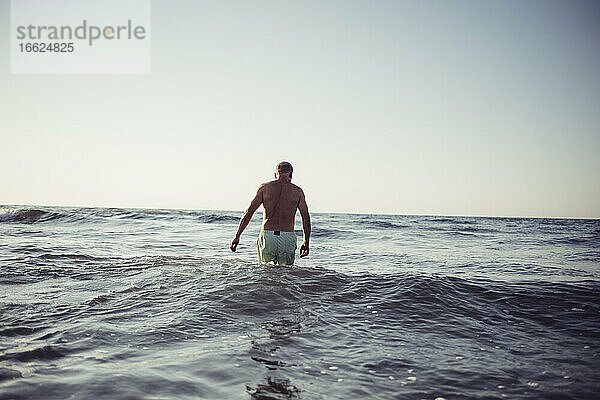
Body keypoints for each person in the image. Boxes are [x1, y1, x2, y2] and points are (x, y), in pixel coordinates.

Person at [229, 161, 311, 265]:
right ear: (291, 174)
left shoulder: (265, 188)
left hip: (268, 236)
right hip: (287, 236)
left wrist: (237, 236)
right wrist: (306, 242)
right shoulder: (298, 192)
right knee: (286, 275)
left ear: (276, 174)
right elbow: (306, 218)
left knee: (266, 273)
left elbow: (249, 212)